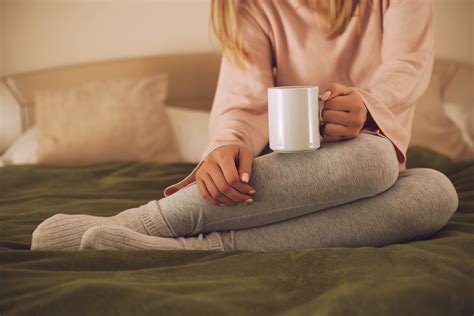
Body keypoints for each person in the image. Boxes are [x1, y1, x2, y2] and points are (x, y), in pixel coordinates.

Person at [31, 0, 458, 252]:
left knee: (436, 192)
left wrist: (367, 104)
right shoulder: (249, 5)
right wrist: (227, 146)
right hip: (295, 167)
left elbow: (406, 66)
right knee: (376, 160)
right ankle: (142, 223)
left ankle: (175, 251)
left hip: (372, 154)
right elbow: (244, 101)